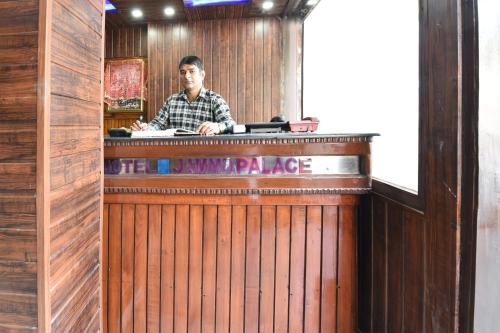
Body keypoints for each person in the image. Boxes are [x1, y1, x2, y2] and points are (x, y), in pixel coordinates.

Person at [131, 55, 235, 135]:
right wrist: (145, 129)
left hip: (205, 157)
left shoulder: (215, 99)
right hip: (177, 156)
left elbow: (231, 124)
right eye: (183, 72)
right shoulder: (172, 101)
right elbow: (157, 124)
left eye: (191, 71)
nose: (187, 76)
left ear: (202, 75)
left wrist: (217, 127)